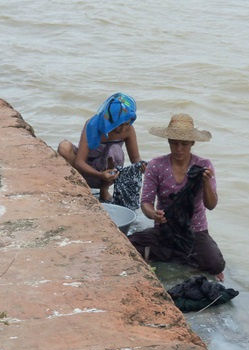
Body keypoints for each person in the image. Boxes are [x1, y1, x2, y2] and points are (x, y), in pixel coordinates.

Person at [128, 113, 225, 280]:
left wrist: (207, 183)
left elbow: (211, 205)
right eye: (174, 143)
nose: (179, 149)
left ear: (192, 143)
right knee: (127, 245)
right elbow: (146, 202)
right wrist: (154, 215)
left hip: (195, 230)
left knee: (215, 264)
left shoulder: (204, 166)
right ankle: (181, 255)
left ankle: (170, 254)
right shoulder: (156, 165)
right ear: (168, 142)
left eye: (184, 144)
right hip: (165, 229)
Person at [57, 93, 143, 203]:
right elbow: (79, 162)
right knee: (64, 147)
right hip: (85, 171)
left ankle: (104, 190)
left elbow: (135, 158)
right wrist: (99, 175)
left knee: (115, 150)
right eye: (119, 124)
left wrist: (143, 166)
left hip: (108, 174)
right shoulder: (93, 125)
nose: (122, 129)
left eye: (126, 124)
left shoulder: (129, 130)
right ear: (110, 118)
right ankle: (78, 186)